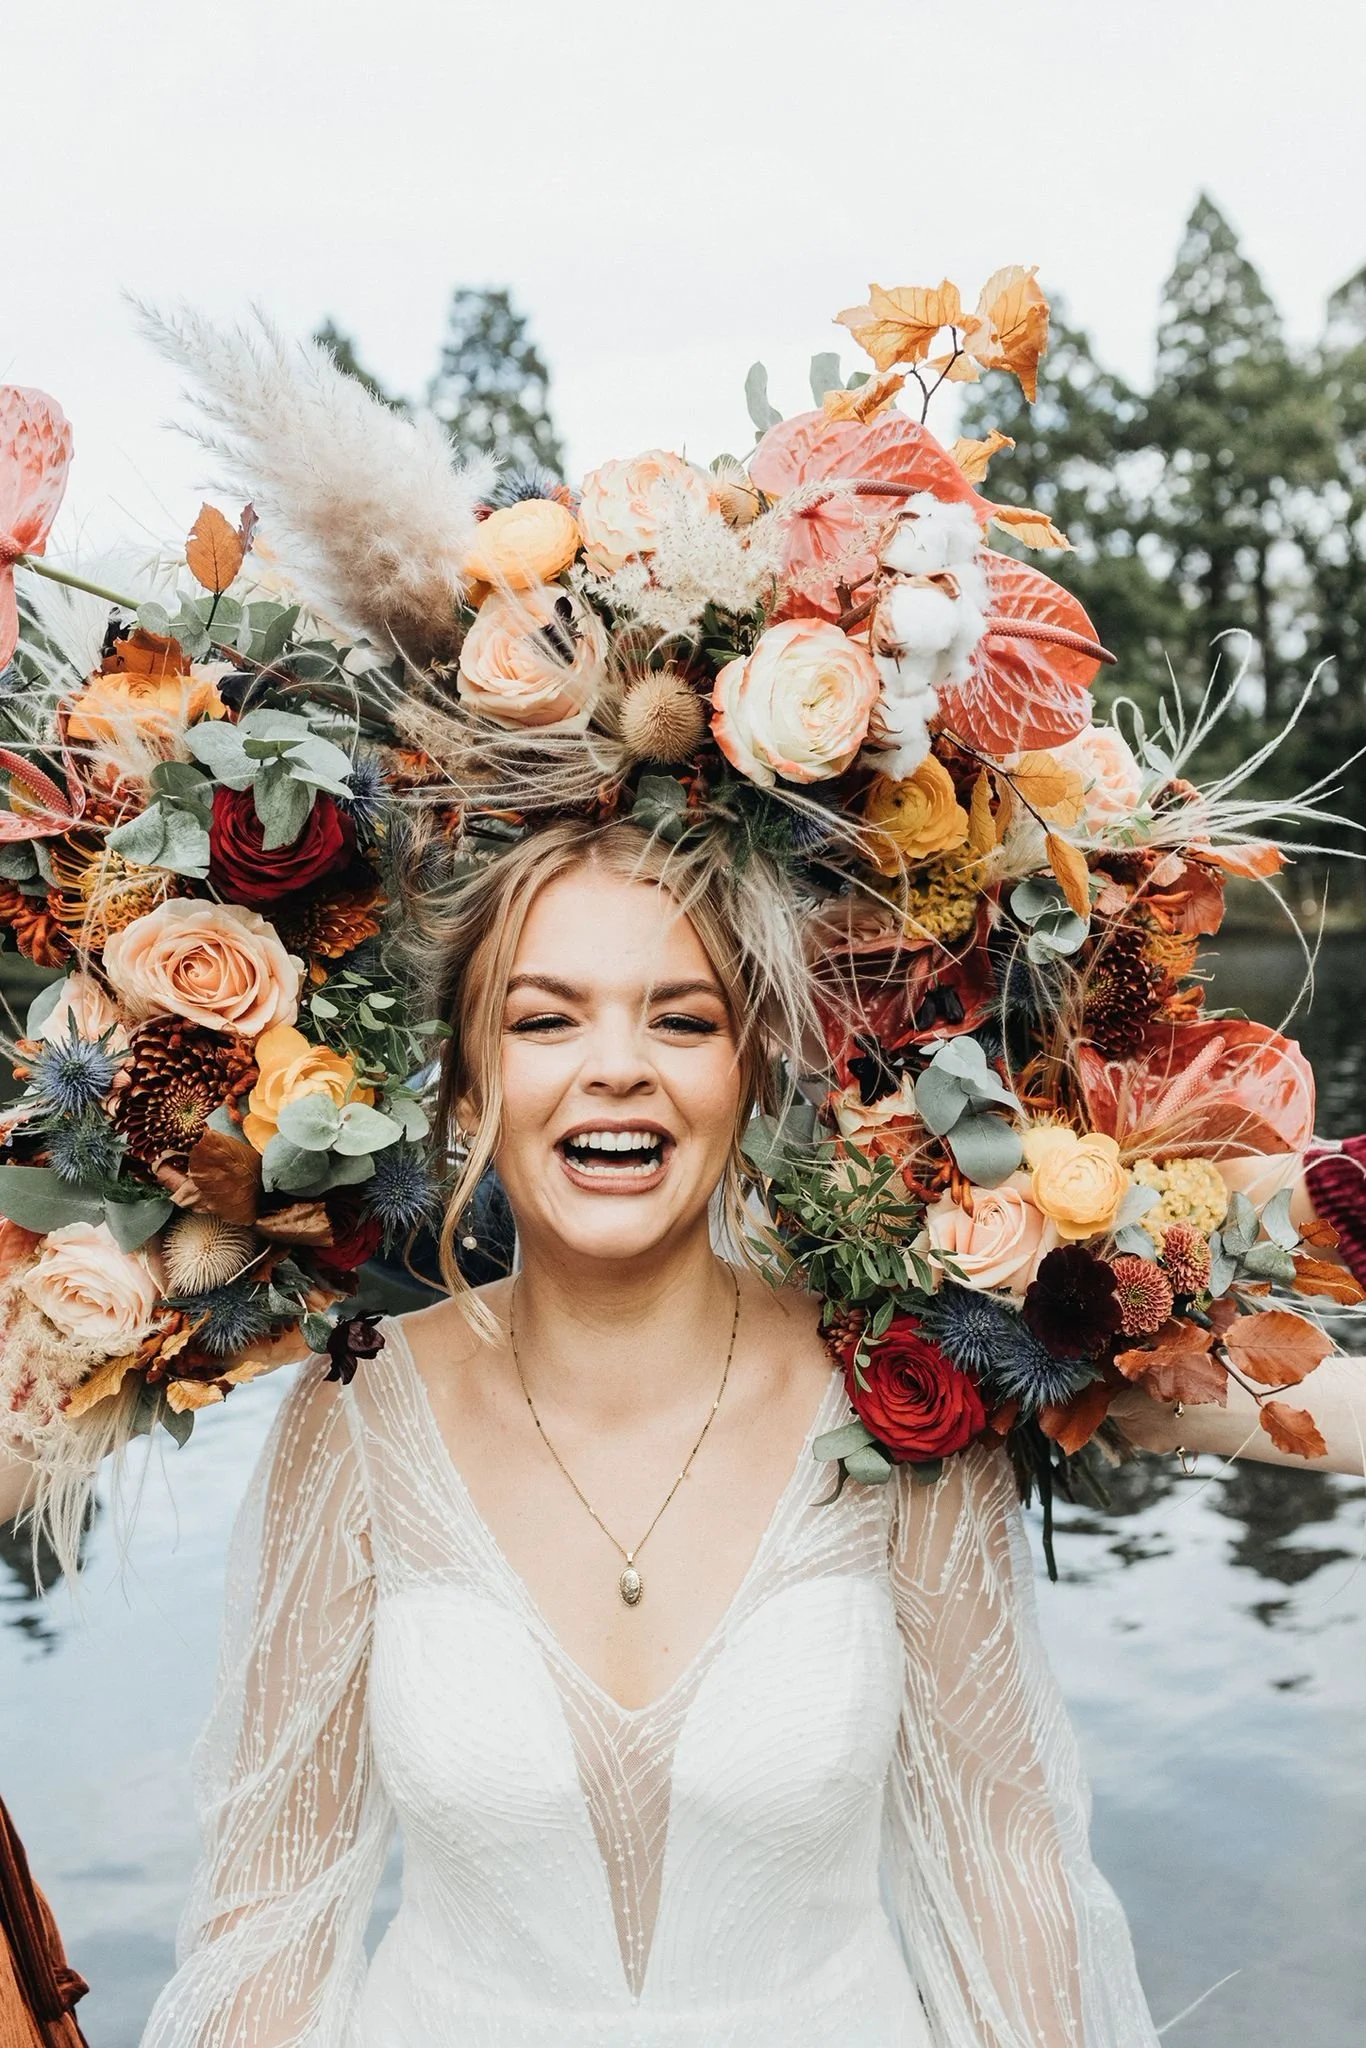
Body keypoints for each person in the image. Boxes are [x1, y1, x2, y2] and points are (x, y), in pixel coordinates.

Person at [139, 822, 1165, 2047]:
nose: (616, 1067)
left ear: (752, 1068)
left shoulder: (898, 1387)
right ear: (468, 1081)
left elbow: (1010, 1874)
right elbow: (271, 1912)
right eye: (544, 1019)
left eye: (681, 1019)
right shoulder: (356, 1407)